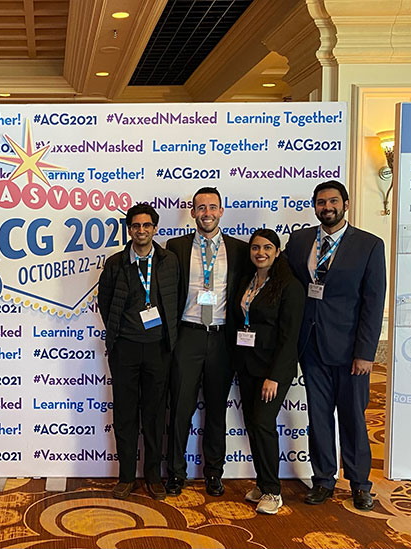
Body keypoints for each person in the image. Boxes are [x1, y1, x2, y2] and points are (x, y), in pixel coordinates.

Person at [285, 180, 385, 511]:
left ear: (346, 204)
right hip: (311, 346)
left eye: (333, 201)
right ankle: (323, 480)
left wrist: (365, 353)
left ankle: (360, 484)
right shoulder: (300, 241)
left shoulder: (369, 245)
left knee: (353, 418)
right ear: (314, 206)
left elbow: (373, 302)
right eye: (321, 202)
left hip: (350, 351)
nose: (327, 207)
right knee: (319, 417)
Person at [165, 187, 251, 496]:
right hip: (188, 335)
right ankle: (175, 473)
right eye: (201, 208)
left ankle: (214, 473)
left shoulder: (240, 249)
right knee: (180, 409)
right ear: (192, 212)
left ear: (221, 211)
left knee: (216, 411)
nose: (207, 213)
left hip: (222, 338)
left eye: (212, 207)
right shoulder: (175, 247)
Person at [98, 203, 179, 500]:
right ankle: (126, 477)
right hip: (125, 349)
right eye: (136, 226)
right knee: (125, 414)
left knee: (156, 415)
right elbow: (105, 302)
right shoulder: (116, 263)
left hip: (159, 348)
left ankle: (154, 477)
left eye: (146, 225)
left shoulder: (169, 261)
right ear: (129, 229)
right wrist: (119, 333)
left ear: (155, 229)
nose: (141, 230)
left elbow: (177, 297)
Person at [232, 229, 304, 514]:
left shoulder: (289, 286)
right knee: (253, 425)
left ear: (277, 251)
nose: (260, 253)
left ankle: (273, 491)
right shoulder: (248, 281)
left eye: (266, 248)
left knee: (263, 423)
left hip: (273, 370)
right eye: (255, 248)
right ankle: (262, 484)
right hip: (247, 364)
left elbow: (289, 338)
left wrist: (274, 376)